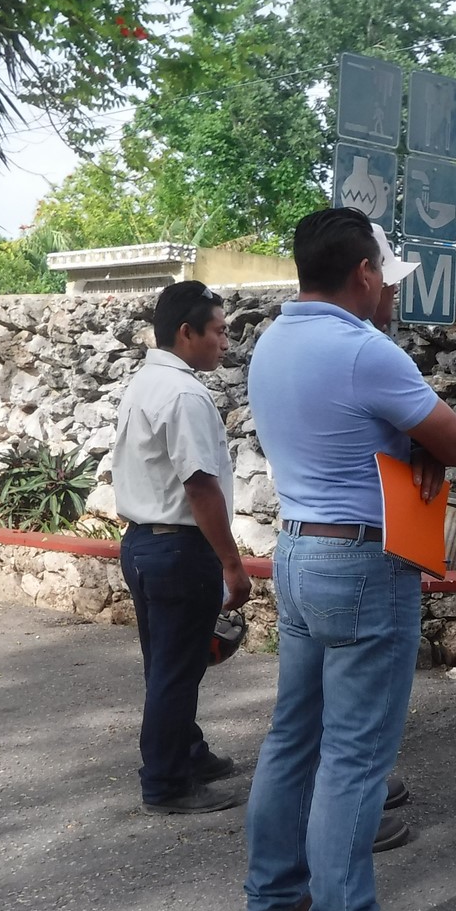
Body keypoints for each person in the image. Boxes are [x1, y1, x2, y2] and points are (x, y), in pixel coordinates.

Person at [240, 210, 456, 911]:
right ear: (364, 273)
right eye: (387, 278)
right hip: (363, 562)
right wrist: (420, 447)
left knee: (293, 736)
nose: (391, 294)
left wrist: (401, 444)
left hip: (297, 549)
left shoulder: (272, 341)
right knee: (355, 756)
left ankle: (274, 899)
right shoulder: (364, 350)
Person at [112, 281, 252, 815]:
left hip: (143, 543)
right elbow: (199, 485)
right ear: (186, 332)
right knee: (176, 669)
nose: (225, 342)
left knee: (168, 664)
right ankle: (166, 782)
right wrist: (232, 564)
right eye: (218, 331)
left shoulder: (145, 382)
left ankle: (187, 753)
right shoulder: (184, 394)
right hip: (177, 548)